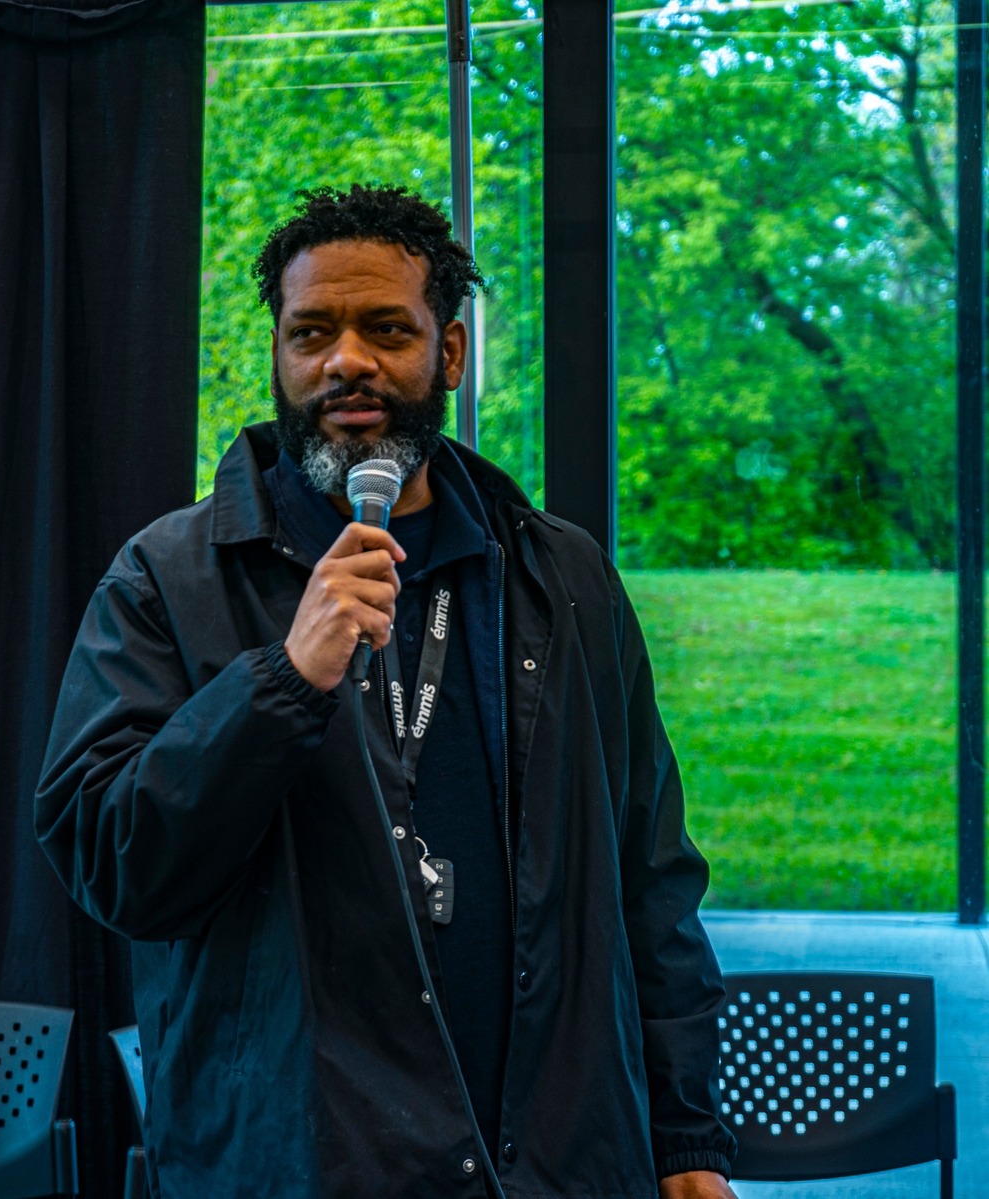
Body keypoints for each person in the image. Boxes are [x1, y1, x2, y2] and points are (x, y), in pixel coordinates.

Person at [36, 183, 738, 1199]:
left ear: (448, 353)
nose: (345, 361)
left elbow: (650, 873)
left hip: (556, 1155)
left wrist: (685, 1134)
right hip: (306, 1162)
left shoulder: (562, 575)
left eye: (386, 329)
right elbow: (115, 864)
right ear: (278, 353)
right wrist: (283, 679)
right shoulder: (167, 579)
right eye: (311, 331)